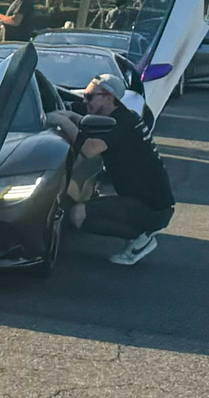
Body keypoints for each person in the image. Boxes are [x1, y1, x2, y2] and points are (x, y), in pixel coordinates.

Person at [50, 73, 174, 265]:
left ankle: (142, 236)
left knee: (77, 215)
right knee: (85, 211)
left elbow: (89, 149)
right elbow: (89, 126)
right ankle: (141, 230)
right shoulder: (121, 117)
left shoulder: (121, 123)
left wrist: (63, 122)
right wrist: (73, 116)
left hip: (151, 207)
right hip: (150, 202)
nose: (85, 101)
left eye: (90, 97)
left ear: (108, 97)